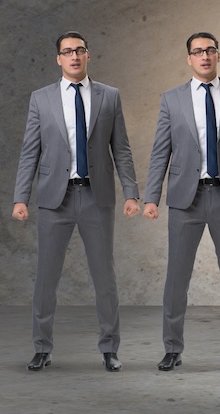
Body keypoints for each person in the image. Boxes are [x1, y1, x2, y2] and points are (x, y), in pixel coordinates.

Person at [12, 31, 140, 372]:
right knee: (46, 277)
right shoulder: (41, 99)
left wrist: (131, 192)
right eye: (67, 51)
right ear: (58, 59)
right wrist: (20, 198)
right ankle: (41, 348)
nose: (74, 56)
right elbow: (30, 153)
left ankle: (110, 349)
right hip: (55, 198)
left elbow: (122, 149)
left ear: (88, 55)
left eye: (80, 50)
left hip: (96, 196)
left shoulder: (109, 97)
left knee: (104, 276)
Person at [143, 32, 220, 373]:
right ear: (189, 58)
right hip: (186, 199)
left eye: (210, 50)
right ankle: (172, 348)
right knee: (176, 277)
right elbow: (160, 153)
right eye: (197, 51)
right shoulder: (172, 99)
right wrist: (151, 198)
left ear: (218, 55)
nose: (204, 56)